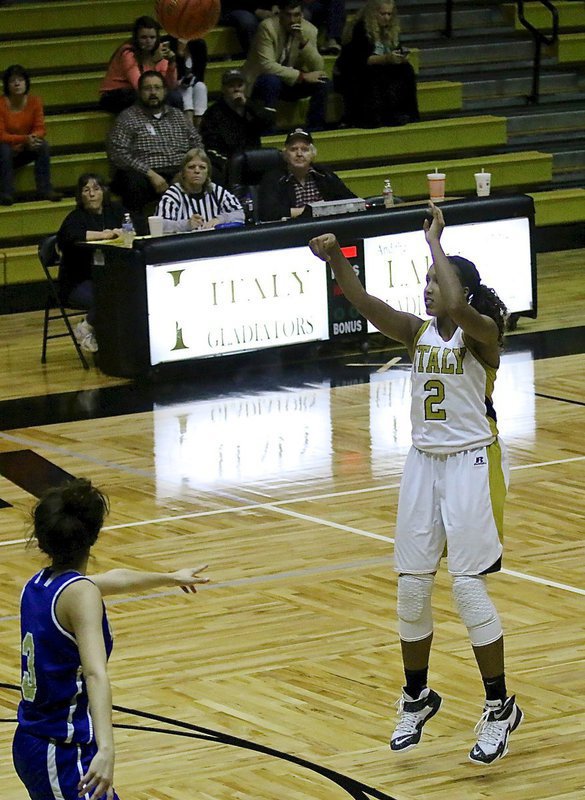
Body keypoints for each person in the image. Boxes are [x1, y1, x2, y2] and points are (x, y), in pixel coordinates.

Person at [309, 204, 522, 765]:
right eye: (425, 280)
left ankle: (500, 708)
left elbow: (455, 303)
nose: (429, 289)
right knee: (411, 586)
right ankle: (416, 695)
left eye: (436, 280)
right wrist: (335, 259)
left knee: (468, 587)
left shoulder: (483, 334)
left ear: (463, 289)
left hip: (473, 462)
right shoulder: (417, 332)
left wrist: (435, 244)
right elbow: (362, 302)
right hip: (423, 463)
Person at [12, 477, 209, 800]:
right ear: (94, 535)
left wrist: (169, 577)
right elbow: (94, 673)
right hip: (62, 750)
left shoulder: (40, 585)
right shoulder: (80, 594)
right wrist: (107, 748)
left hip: (33, 740)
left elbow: (114, 579)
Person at [107, 70, 202, 234]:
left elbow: (197, 143)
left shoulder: (178, 116)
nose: (153, 93)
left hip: (179, 170)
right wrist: (150, 174)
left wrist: (185, 171)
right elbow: (118, 153)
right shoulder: (127, 117)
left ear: (165, 91)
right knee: (131, 182)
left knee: (211, 172)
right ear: (139, 92)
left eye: (157, 88)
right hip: (145, 174)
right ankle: (140, 233)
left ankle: (204, 224)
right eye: (147, 88)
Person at [57, 173, 127, 354]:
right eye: (86, 190)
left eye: (96, 189)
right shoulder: (75, 217)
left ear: (104, 191)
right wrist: (104, 235)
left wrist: (123, 231)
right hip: (77, 283)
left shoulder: (115, 211)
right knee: (110, 297)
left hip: (110, 277)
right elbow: (69, 236)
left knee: (128, 292)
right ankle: (87, 328)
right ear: (80, 195)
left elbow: (134, 227)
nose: (92, 194)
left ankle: (116, 345)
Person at [243, 0, 330, 134]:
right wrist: (302, 76)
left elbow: (318, 66)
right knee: (271, 80)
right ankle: (267, 131)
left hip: (288, 81)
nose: (292, 20)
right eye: (288, 15)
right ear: (280, 14)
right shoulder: (267, 27)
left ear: (302, 15)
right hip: (260, 81)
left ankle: (315, 128)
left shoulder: (309, 30)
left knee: (323, 81)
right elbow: (266, 66)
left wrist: (303, 43)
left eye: (296, 15)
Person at [334, 0, 419, 128]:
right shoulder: (360, 28)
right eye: (383, 14)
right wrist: (387, 58)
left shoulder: (390, 29)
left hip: (377, 67)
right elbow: (360, 61)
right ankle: (376, 117)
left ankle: (408, 113)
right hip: (351, 73)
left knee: (406, 70)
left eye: (389, 14)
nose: (386, 18)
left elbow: (393, 50)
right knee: (375, 73)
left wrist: (400, 57)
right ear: (373, 13)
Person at [257, 127, 355, 221]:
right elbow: (268, 213)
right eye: (293, 149)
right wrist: (312, 211)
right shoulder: (273, 178)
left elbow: (352, 201)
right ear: (285, 155)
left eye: (304, 149)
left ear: (313, 154)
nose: (299, 154)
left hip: (326, 228)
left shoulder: (325, 175)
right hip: (292, 231)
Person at [0, 64, 62, 205]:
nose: (17, 84)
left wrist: (32, 138)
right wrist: (24, 139)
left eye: (20, 80)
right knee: (3, 148)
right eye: (12, 81)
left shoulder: (35, 102)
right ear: (7, 85)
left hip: (24, 147)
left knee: (43, 145)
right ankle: (6, 193)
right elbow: (1, 135)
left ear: (26, 83)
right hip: (4, 150)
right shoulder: (1, 104)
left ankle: (45, 189)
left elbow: (41, 128)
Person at [200, 68, 275, 181]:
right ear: (223, 89)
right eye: (231, 86)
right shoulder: (212, 114)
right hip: (227, 165)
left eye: (240, 85)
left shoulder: (253, 106)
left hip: (253, 161)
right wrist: (230, 164)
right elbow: (210, 148)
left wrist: (248, 104)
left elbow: (269, 122)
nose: (236, 89)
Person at [99, 15, 180, 114]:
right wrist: (153, 62)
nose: (148, 41)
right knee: (145, 97)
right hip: (115, 95)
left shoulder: (159, 51)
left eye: (152, 37)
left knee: (174, 97)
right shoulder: (128, 53)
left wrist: (172, 63)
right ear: (136, 38)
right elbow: (140, 85)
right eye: (143, 37)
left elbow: (170, 86)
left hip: (137, 91)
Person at [156, 148, 244, 232]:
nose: (197, 171)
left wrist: (220, 219)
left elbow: (240, 214)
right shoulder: (173, 194)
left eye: (202, 167)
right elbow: (160, 225)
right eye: (191, 167)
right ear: (183, 173)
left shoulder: (216, 190)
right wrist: (187, 224)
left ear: (208, 173)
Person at [164, 36, 208, 127]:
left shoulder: (200, 44)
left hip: (191, 83)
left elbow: (200, 74)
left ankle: (200, 128)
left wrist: (190, 80)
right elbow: (174, 75)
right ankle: (189, 128)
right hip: (172, 84)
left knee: (201, 87)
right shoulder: (169, 43)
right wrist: (180, 55)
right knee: (186, 90)